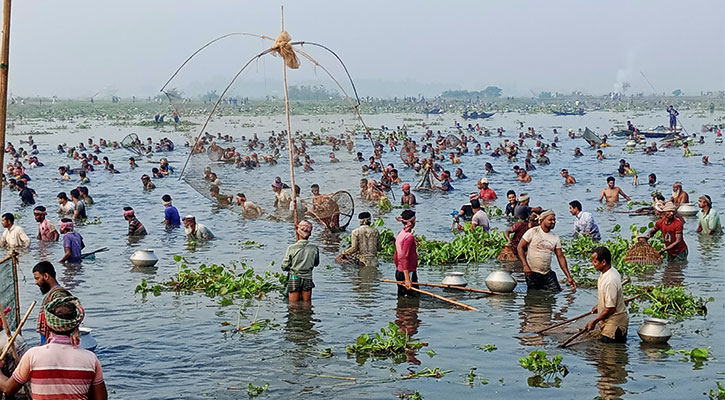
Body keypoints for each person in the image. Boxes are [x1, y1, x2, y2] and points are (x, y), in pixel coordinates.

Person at [0, 296, 108, 399]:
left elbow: (8, 389)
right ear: (76, 326)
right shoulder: (91, 359)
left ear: (49, 325)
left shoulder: (32, 356)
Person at [517, 210, 577, 291]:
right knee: (534, 297)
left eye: (554, 220)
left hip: (547, 273)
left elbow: (560, 257)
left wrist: (569, 277)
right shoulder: (533, 232)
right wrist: (525, 266)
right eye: (550, 220)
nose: (553, 222)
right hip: (531, 273)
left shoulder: (555, 237)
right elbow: (520, 247)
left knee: (556, 292)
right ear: (542, 220)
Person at [585, 246, 628, 343]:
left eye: (595, 262)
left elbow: (611, 309)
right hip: (610, 316)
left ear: (603, 262)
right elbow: (609, 298)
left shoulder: (610, 280)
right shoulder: (606, 273)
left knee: (610, 350)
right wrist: (599, 306)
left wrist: (594, 321)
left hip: (616, 321)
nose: (593, 264)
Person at [32, 261, 72, 344]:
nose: (36, 282)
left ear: (46, 276)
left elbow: (62, 324)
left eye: (37, 278)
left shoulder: (59, 295)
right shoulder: (52, 294)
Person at [281, 221, 319, 304]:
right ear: (310, 232)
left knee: (293, 306)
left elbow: (284, 266)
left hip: (294, 278)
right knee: (307, 305)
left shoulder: (291, 248)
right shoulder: (314, 248)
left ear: (298, 231)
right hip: (308, 278)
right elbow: (316, 263)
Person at [394, 210, 418, 297]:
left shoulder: (400, 234)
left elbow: (396, 256)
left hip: (400, 271)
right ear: (412, 222)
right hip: (407, 272)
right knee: (412, 299)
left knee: (402, 297)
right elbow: (405, 257)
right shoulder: (409, 237)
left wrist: (399, 268)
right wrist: (407, 279)